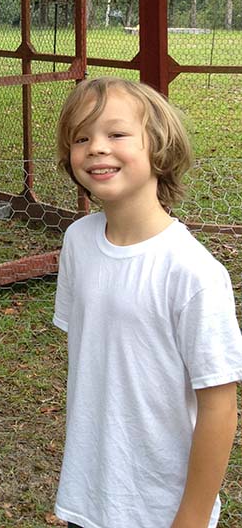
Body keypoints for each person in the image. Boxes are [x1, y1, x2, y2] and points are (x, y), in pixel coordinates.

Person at [53, 76, 242, 528]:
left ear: (158, 146)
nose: (97, 147)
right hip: (90, 496)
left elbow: (219, 407)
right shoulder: (77, 242)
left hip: (162, 509)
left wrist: (192, 518)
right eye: (82, 137)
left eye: (116, 134)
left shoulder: (193, 273)